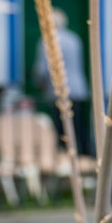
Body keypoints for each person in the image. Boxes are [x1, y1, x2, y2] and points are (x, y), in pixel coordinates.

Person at [33, 9, 92, 155]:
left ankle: (66, 157)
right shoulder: (74, 39)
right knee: (78, 125)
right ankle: (86, 155)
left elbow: (43, 69)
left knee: (62, 129)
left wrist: (39, 82)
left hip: (58, 91)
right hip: (78, 90)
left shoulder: (47, 41)